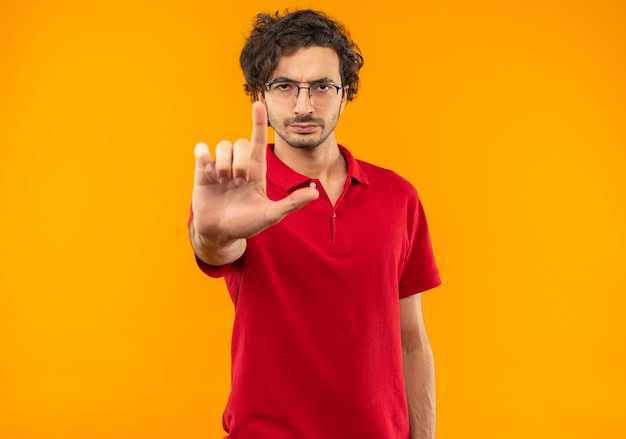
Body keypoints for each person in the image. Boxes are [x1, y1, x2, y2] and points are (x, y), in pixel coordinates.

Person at [189, 9, 441, 439]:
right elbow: (217, 248)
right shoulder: (235, 191)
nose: (304, 105)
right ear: (260, 96)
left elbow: (411, 339)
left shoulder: (399, 197)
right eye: (285, 86)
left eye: (322, 86)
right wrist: (212, 236)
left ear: (345, 94)